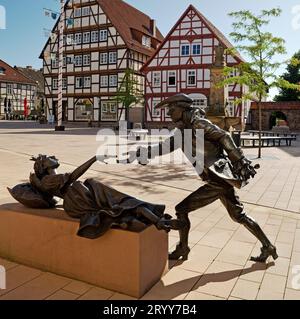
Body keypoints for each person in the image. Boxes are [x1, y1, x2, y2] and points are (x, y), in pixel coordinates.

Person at [129, 94, 278, 263]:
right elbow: (165, 147)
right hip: (219, 179)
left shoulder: (198, 123)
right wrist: (144, 152)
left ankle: (183, 248)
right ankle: (268, 246)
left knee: (182, 209)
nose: (169, 112)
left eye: (171, 109)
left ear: (181, 108)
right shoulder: (181, 131)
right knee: (238, 215)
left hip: (218, 178)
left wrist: (240, 160)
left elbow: (224, 136)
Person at [8, 155, 182, 239]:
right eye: (46, 158)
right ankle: (144, 213)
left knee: (99, 188)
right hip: (76, 201)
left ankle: (150, 216)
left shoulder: (51, 178)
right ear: (42, 165)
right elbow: (74, 175)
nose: (51, 157)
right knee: (101, 192)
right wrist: (94, 159)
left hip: (79, 194)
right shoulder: (48, 180)